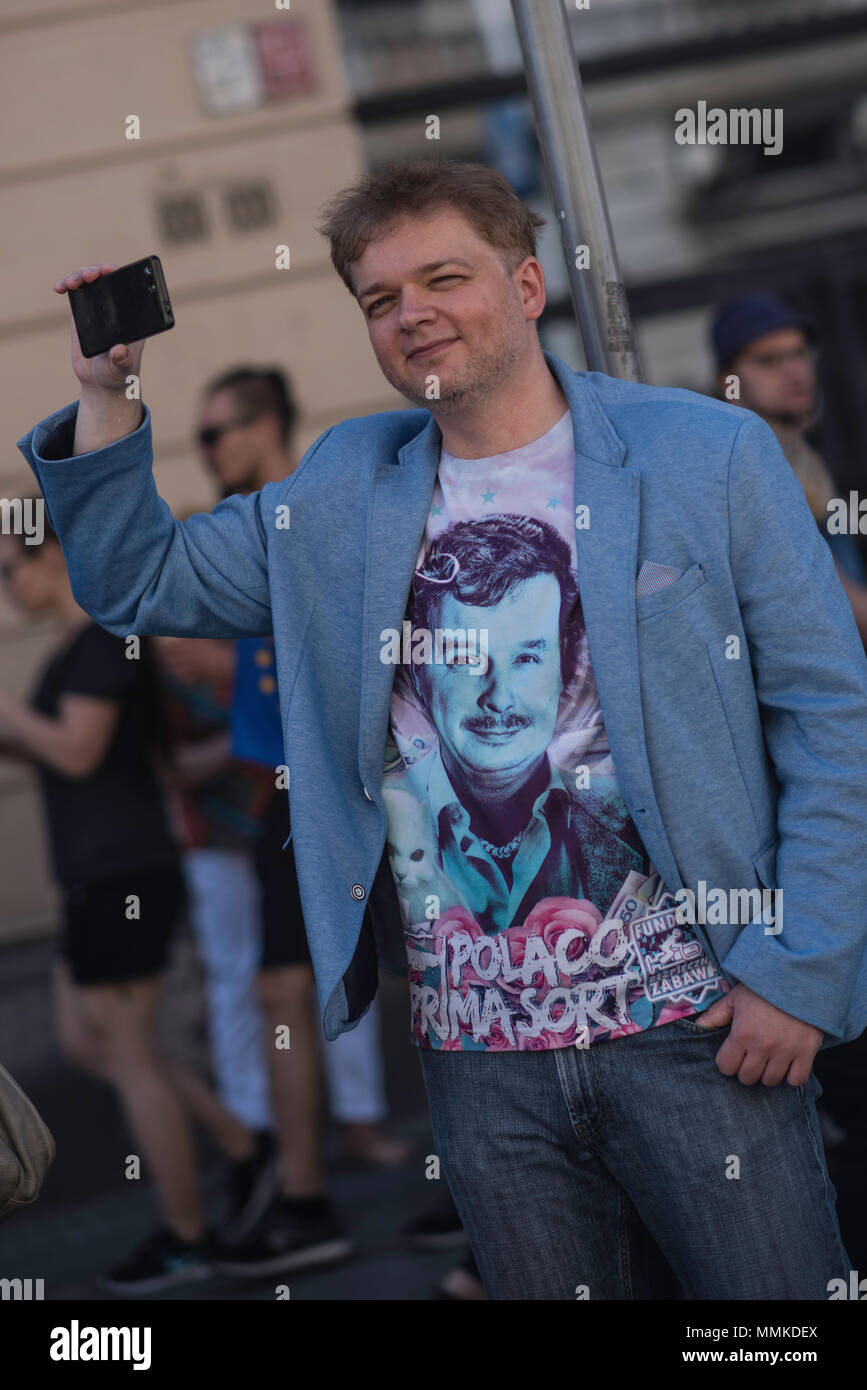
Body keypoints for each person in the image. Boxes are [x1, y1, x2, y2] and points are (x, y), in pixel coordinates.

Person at [19, 158, 867, 1299]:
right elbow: (135, 580)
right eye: (378, 299)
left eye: (443, 277)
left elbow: (830, 713)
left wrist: (800, 971)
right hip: (476, 1064)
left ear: (525, 286)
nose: (411, 311)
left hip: (703, 1026)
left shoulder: (702, 455)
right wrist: (110, 392)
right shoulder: (339, 490)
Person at [0, 517, 250, 1292]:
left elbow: (74, 748)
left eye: (12, 569)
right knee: (86, 1041)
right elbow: (67, 754)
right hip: (96, 873)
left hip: (125, 874)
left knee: (132, 1053)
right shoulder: (79, 648)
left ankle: (186, 1234)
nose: (7, 589)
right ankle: (243, 1146)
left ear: (53, 558)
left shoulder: (108, 638)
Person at [711, 293, 867, 641]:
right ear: (729, 382)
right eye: (768, 360)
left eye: (799, 353)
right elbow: (835, 604)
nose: (793, 371)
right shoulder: (748, 466)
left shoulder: (802, 454)